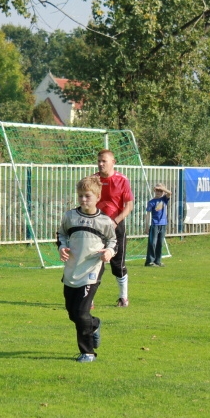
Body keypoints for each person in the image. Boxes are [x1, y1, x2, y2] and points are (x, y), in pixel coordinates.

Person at [57, 176, 117, 363]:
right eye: (81, 196)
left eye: (87, 196)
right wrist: (62, 247)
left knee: (82, 313)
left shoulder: (105, 221)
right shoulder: (70, 216)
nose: (83, 200)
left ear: (97, 196)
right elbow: (61, 235)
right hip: (72, 270)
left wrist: (109, 251)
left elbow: (114, 241)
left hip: (92, 270)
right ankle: (95, 324)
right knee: (72, 312)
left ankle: (88, 352)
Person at [93, 149, 134, 307]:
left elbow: (129, 205)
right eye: (99, 161)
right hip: (96, 228)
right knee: (94, 263)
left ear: (113, 162)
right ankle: (89, 299)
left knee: (117, 264)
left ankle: (123, 297)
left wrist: (116, 221)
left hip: (116, 227)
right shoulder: (93, 179)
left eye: (104, 161)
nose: (101, 164)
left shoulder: (122, 180)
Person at [145, 183, 171, 267]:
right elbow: (148, 214)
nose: (159, 192)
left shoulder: (164, 199)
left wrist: (163, 188)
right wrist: (146, 226)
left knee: (160, 243)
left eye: (160, 191)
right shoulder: (151, 202)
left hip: (163, 224)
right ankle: (150, 261)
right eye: (157, 190)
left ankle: (158, 261)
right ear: (154, 191)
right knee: (153, 243)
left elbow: (170, 193)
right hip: (155, 224)